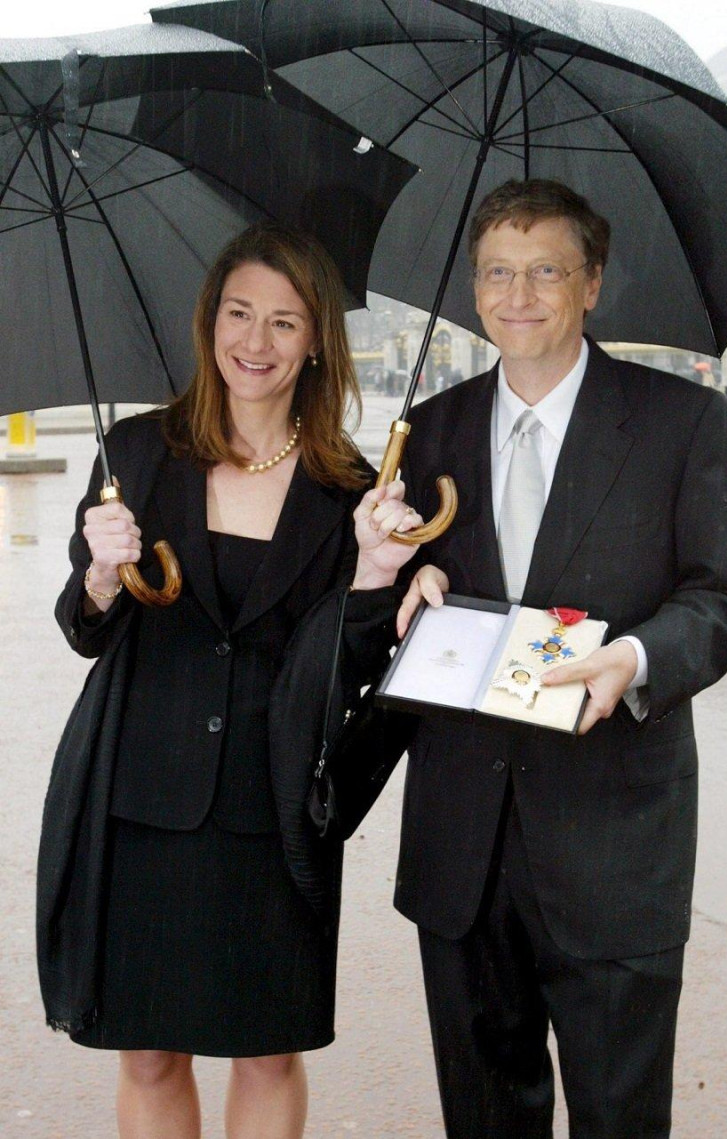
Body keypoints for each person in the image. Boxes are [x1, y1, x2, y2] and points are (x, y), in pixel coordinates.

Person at [393, 179, 727, 1138]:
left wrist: (636, 658)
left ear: (592, 283)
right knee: (482, 1117)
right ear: (474, 290)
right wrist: (387, 582)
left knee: (619, 1119)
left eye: (547, 270)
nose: (520, 293)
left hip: (615, 848)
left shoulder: (683, 421)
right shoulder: (426, 430)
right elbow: (378, 607)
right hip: (462, 853)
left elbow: (726, 596)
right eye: (498, 272)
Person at [37, 221, 421, 1139]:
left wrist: (373, 578)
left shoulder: (350, 490)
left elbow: (351, 671)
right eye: (240, 313)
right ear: (210, 321)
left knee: (267, 1047)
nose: (257, 342)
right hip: (140, 798)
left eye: (285, 322)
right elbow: (84, 630)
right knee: (150, 1049)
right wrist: (99, 571)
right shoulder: (135, 454)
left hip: (273, 803)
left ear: (319, 340)